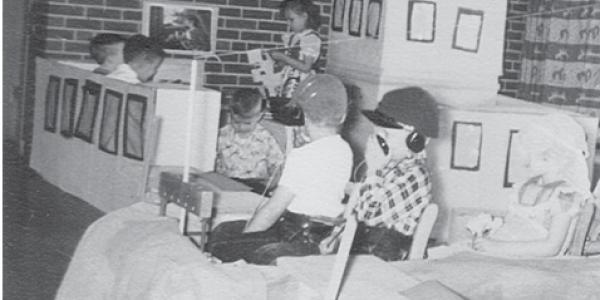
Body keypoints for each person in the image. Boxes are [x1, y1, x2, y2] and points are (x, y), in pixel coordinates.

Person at [208, 74, 353, 265]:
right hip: (322, 233)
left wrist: (246, 236)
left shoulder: (302, 155)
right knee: (227, 231)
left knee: (223, 239)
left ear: (303, 115)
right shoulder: (345, 149)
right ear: (342, 116)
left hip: (296, 234)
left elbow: (273, 209)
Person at [328, 87, 440, 261]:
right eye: (377, 133)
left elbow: (369, 218)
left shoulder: (415, 175)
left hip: (379, 262)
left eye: (386, 134)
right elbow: (356, 211)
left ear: (416, 141)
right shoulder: (388, 165)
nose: (379, 140)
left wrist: (373, 171)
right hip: (358, 253)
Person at [470, 114, 592, 257]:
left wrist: (498, 247)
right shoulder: (526, 186)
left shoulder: (565, 196)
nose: (527, 160)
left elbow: (551, 248)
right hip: (505, 252)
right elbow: (513, 223)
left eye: (536, 155)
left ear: (557, 158)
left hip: (532, 263)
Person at [268, 0, 323, 147]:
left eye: (291, 19)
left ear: (304, 16)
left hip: (302, 81)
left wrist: (283, 57)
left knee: (296, 115)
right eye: (287, 20)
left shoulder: (311, 39)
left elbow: (305, 66)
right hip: (290, 78)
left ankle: (296, 145)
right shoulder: (295, 37)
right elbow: (292, 59)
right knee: (283, 112)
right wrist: (280, 62)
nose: (289, 23)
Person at [215, 88, 285, 186]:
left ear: (260, 116)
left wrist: (272, 183)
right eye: (236, 122)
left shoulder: (265, 138)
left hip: (256, 183)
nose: (241, 127)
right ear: (230, 113)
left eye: (247, 123)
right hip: (227, 183)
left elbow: (277, 165)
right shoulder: (221, 135)